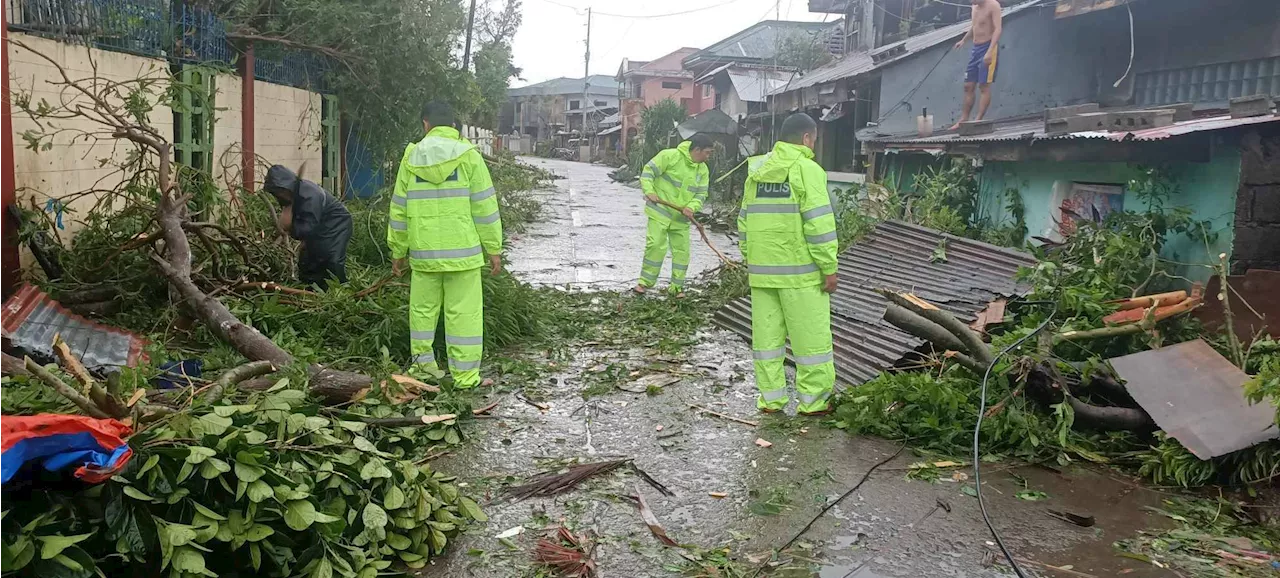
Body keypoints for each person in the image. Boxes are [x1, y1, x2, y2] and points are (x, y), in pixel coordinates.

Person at [387, 101, 503, 388]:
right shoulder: (469, 156)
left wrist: (398, 251)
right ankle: (465, 377)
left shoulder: (411, 158)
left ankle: (424, 373)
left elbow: (398, 210)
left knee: (423, 313)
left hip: (424, 253)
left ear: (425, 124)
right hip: (463, 255)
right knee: (464, 315)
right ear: (453, 125)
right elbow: (485, 207)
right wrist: (494, 248)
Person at [738, 113, 838, 416]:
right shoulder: (808, 170)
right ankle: (814, 402)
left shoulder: (757, 170)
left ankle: (771, 400)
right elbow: (818, 223)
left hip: (762, 272)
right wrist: (829, 266)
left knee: (767, 341)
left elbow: (743, 220)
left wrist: (751, 257)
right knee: (811, 341)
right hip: (801, 274)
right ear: (807, 138)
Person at [635, 134, 715, 297]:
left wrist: (691, 207)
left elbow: (701, 194)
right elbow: (648, 172)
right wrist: (649, 191)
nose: (708, 157)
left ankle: (677, 287)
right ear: (697, 150)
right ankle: (645, 283)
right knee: (656, 246)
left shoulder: (703, 170)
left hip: (681, 219)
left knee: (682, 252)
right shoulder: (670, 156)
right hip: (660, 212)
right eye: (707, 152)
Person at [265, 164, 353, 289]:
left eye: (279, 192)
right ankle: (310, 288)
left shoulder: (310, 196)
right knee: (309, 257)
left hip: (336, 222)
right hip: (318, 223)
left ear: (285, 187)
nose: (278, 196)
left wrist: (291, 227)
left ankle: (338, 290)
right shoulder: (289, 195)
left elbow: (307, 228)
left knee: (331, 257)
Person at [949, 0, 1003, 131]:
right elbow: (975, 25)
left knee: (983, 85)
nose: (971, 1)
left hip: (988, 47)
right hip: (976, 48)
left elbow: (998, 29)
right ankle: (964, 118)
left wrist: (990, 51)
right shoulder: (974, 7)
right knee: (968, 85)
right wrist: (964, 40)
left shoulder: (993, 5)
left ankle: (978, 119)